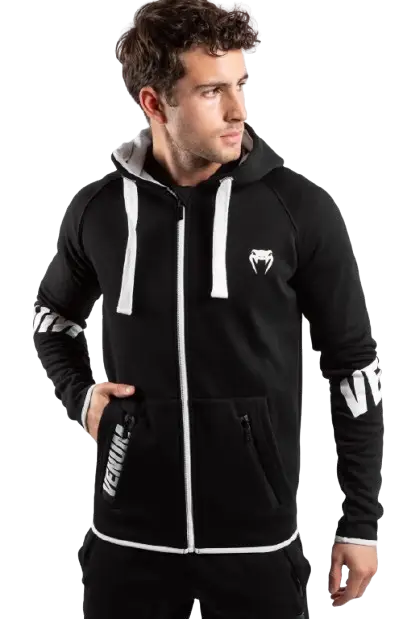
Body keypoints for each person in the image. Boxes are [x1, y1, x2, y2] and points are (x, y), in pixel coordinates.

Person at [32, 0, 384, 617]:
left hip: (258, 540)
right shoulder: (99, 210)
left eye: (241, 84)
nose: (238, 109)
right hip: (126, 536)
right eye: (211, 91)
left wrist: (361, 523)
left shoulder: (299, 210)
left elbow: (354, 368)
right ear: (154, 103)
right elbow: (52, 319)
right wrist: (79, 396)